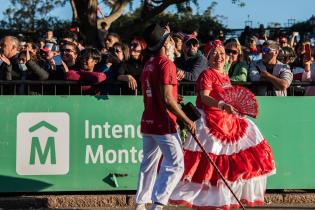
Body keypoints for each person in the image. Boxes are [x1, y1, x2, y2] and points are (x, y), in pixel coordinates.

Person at [169, 40, 276, 209]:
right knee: (211, 163)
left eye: (221, 53)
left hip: (227, 121)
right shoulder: (207, 74)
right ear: (208, 58)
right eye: (214, 54)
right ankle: (207, 201)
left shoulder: (225, 75)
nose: (219, 57)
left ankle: (223, 200)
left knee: (234, 160)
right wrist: (221, 105)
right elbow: (204, 97)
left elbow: (228, 97)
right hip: (210, 122)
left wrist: (233, 109)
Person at [135, 23, 196, 210]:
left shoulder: (149, 64)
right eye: (169, 39)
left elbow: (159, 93)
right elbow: (168, 100)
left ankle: (140, 204)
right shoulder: (167, 64)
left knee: (148, 164)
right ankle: (158, 203)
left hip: (148, 121)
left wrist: (172, 96)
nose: (172, 42)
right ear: (165, 43)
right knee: (176, 164)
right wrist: (187, 120)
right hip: (163, 123)